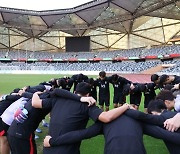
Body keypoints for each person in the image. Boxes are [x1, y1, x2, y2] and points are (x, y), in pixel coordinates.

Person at [32, 82, 131, 154]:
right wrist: (125, 106)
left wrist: (35, 94)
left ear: (74, 91)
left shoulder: (58, 99)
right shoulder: (87, 104)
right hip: (67, 150)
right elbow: (106, 117)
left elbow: (35, 103)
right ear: (88, 95)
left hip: (48, 148)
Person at [7, 88, 96, 154]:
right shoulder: (50, 98)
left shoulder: (41, 96)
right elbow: (57, 91)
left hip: (13, 130)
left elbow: (32, 97)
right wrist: (80, 99)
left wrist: (29, 94)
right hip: (22, 134)